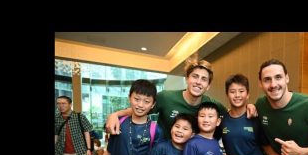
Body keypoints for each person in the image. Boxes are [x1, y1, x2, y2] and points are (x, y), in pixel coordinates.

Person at [103, 56, 256, 140]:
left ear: (208, 86)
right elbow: (141, 109)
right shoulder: (166, 97)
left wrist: (249, 106)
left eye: (203, 79)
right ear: (187, 79)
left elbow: (231, 114)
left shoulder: (212, 104)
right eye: (195, 76)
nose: (198, 82)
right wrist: (115, 114)